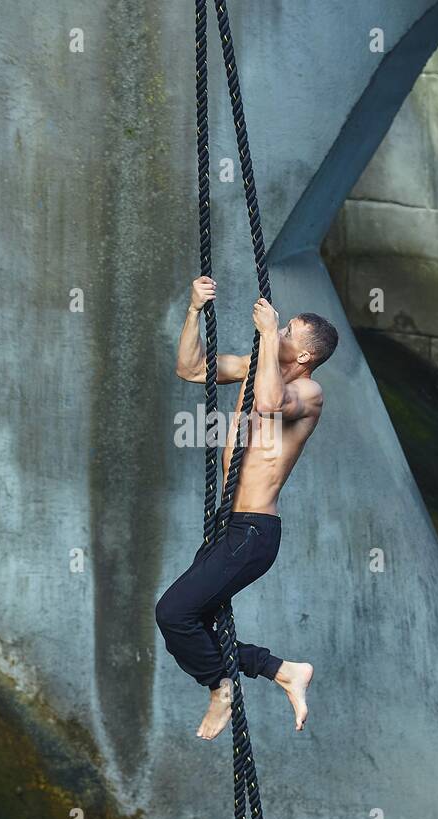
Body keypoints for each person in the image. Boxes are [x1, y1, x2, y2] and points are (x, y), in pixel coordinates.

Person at [155, 276, 338, 740]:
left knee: (173, 613)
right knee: (186, 617)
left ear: (302, 357)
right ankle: (281, 670)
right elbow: (191, 368)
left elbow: (271, 403)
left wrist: (264, 334)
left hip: (255, 533)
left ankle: (221, 686)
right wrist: (193, 310)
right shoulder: (257, 368)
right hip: (230, 526)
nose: (275, 333)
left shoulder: (309, 393)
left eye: (285, 332)